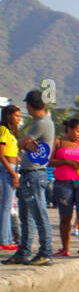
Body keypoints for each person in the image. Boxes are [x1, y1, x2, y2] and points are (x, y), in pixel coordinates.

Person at [50, 115, 79, 257]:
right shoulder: (58, 142)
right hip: (63, 183)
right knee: (66, 216)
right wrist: (66, 162)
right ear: (69, 129)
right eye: (77, 131)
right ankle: (65, 249)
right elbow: (49, 161)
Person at [0, 105, 19, 256]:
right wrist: (13, 172)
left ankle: (6, 238)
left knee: (8, 205)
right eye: (16, 116)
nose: (19, 119)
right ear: (8, 116)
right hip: (7, 168)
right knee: (6, 206)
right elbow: (1, 155)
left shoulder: (11, 132)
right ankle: (4, 240)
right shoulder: (3, 130)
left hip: (12, 167)